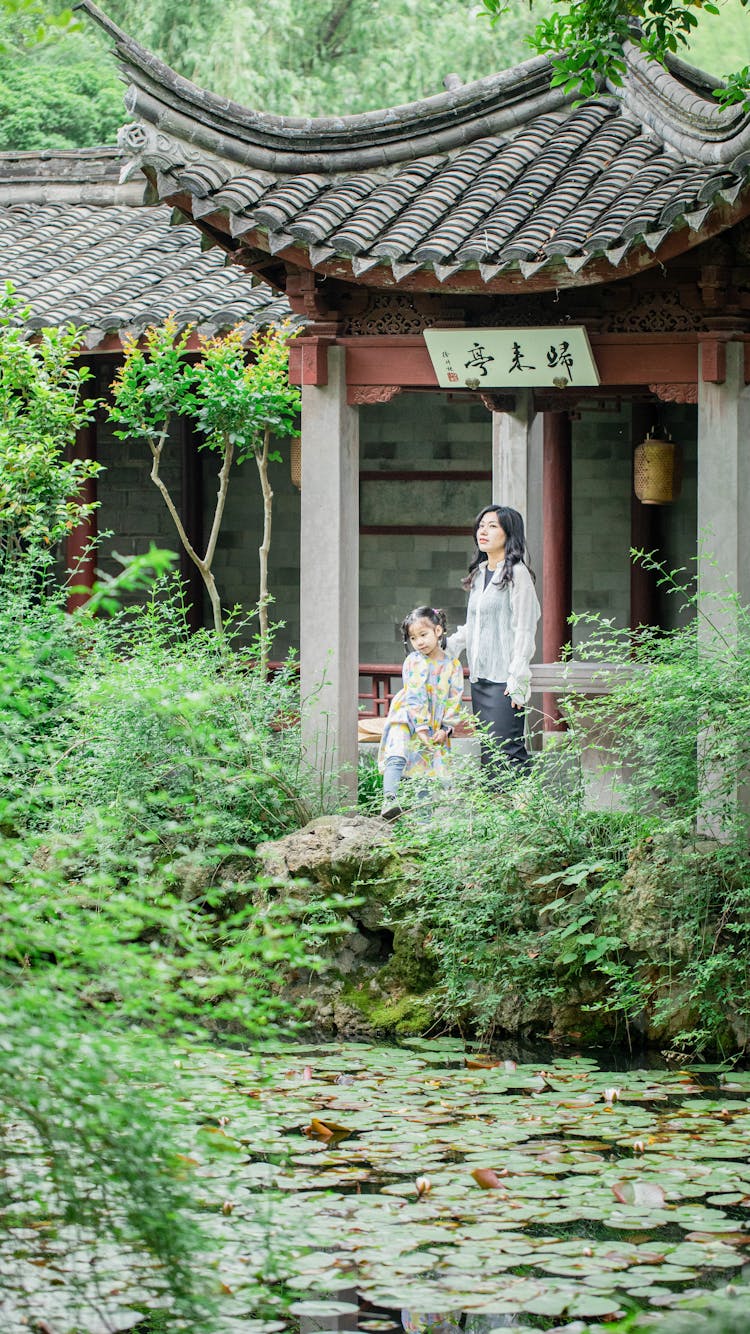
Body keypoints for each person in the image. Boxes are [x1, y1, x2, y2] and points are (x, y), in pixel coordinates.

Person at [447, 505, 540, 781]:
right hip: (480, 678)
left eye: (492, 526)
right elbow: (472, 626)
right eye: (481, 526)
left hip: (505, 681)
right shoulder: (478, 575)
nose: (483, 531)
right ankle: (498, 816)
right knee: (490, 754)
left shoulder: (517, 574)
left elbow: (524, 628)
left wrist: (518, 678)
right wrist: (446, 646)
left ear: (509, 533)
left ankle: (527, 810)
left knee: (509, 751)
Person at [378, 606, 465, 820]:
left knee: (423, 769)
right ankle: (389, 800)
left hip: (434, 724)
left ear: (438, 631)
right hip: (406, 714)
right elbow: (415, 695)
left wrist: (446, 729)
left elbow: (455, 700)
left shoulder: (453, 665)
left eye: (423, 635)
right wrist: (421, 728)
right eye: (413, 638)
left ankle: (423, 819)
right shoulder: (413, 661)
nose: (419, 642)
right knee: (397, 753)